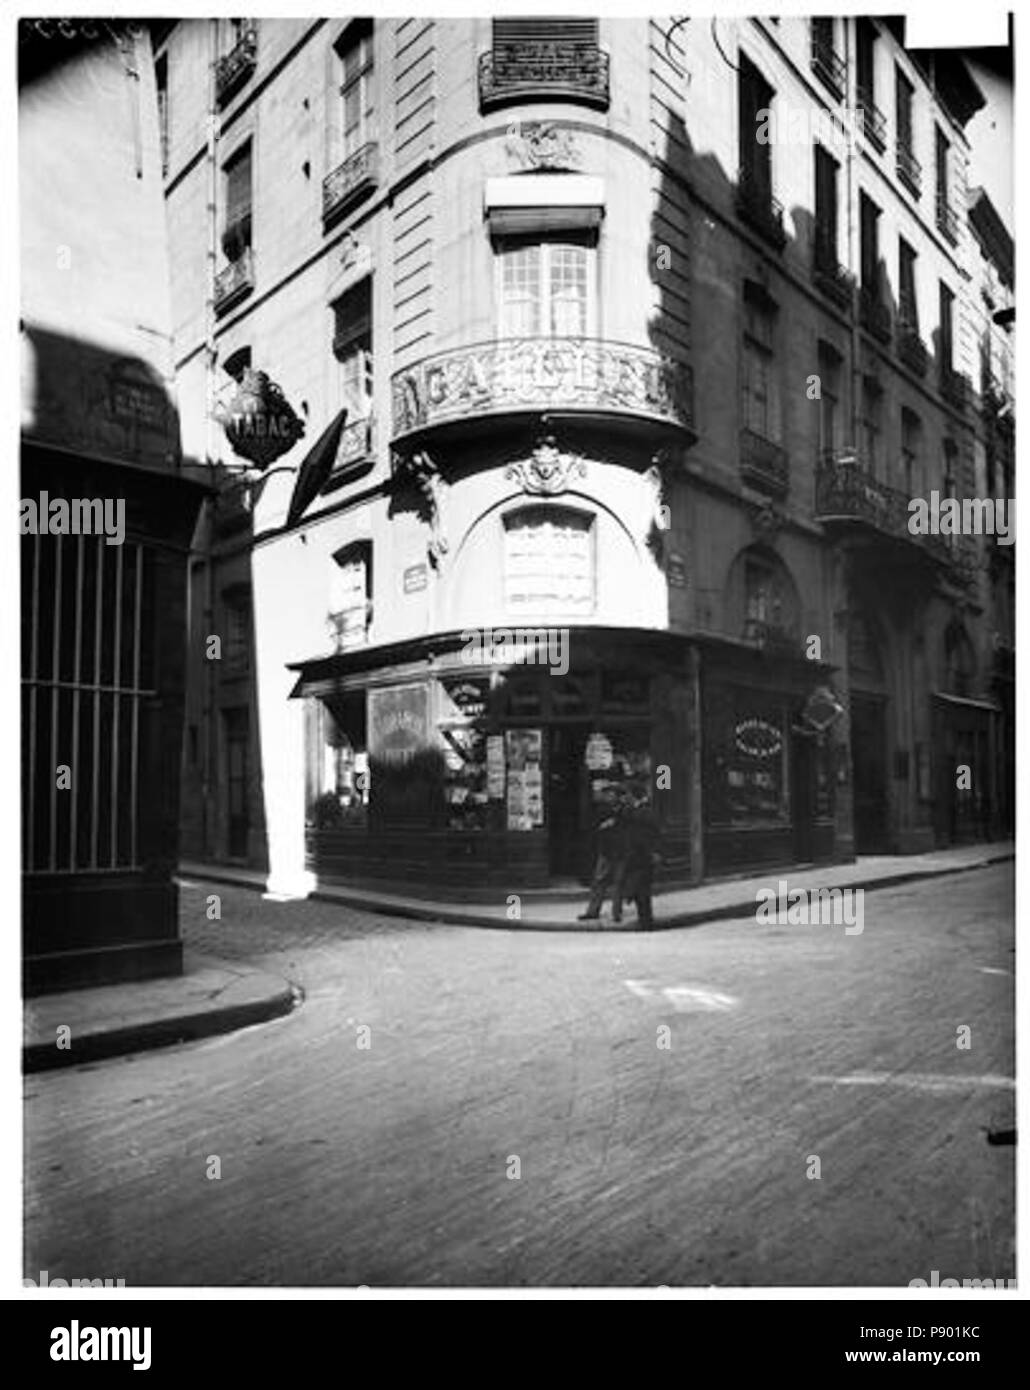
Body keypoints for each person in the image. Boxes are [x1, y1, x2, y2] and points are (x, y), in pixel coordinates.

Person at [613, 785, 660, 929]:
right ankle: (644, 920)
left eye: (628, 794)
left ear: (634, 795)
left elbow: (652, 833)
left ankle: (646, 921)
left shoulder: (645, 811)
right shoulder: (632, 810)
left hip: (643, 855)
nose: (626, 797)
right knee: (640, 890)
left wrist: (654, 852)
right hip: (634, 855)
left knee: (642, 891)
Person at [577, 785, 628, 921]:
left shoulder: (626, 811)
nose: (608, 797)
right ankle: (593, 911)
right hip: (606, 851)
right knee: (599, 881)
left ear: (618, 796)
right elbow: (595, 827)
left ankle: (616, 913)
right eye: (607, 795)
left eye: (611, 795)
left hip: (621, 851)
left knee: (619, 883)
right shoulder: (601, 810)